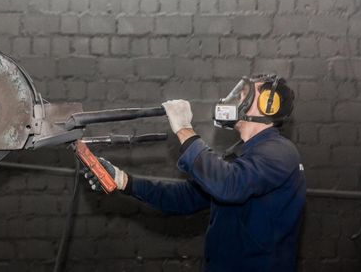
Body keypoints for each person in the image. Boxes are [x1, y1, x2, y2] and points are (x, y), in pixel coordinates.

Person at [84, 74, 306, 272]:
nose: (237, 100)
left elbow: (229, 186)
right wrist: (125, 181)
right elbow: (184, 198)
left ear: (269, 106)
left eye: (244, 96)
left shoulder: (281, 153)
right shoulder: (243, 156)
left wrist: (184, 130)